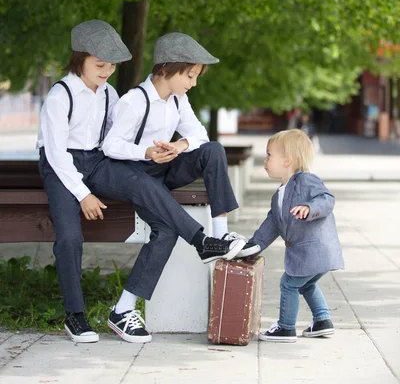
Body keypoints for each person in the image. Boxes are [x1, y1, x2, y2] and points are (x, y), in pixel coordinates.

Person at [38, 22, 250, 345]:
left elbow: (107, 143)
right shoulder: (60, 95)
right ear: (79, 58)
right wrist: (83, 195)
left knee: (145, 184)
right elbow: (57, 152)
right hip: (60, 166)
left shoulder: (109, 93)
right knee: (69, 238)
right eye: (99, 65)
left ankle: (205, 241)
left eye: (111, 66)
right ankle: (75, 314)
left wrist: (171, 148)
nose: (107, 72)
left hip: (95, 162)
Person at [102, 32, 258, 339]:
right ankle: (123, 309)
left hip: (164, 167)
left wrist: (180, 145)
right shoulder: (134, 101)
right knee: (166, 231)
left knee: (213, 149)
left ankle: (218, 236)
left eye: (196, 76)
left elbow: (199, 135)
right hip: (136, 175)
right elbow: (110, 145)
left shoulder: (178, 100)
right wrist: (145, 152)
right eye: (189, 75)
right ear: (166, 69)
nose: (193, 83)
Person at [236, 129, 344, 342]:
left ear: (287, 161)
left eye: (269, 155)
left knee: (288, 283)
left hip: (314, 250)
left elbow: (327, 199)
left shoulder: (306, 181)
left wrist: (309, 207)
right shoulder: (280, 194)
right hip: (312, 253)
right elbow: (272, 225)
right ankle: (322, 321)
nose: (265, 160)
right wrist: (252, 246)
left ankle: (286, 327)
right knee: (305, 284)